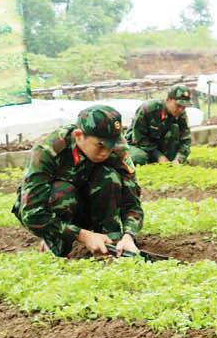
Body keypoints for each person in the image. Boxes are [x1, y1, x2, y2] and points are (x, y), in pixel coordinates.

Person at [12, 105, 143, 257]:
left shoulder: (118, 148)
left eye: (110, 145)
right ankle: (58, 242)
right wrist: (83, 235)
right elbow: (32, 213)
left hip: (88, 204)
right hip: (58, 209)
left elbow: (131, 201)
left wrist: (129, 235)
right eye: (100, 145)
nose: (106, 152)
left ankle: (109, 240)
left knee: (109, 178)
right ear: (79, 135)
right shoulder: (48, 149)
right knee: (63, 191)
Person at [126, 84, 193, 166]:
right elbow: (139, 139)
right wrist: (159, 156)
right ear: (168, 100)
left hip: (160, 146)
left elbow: (185, 140)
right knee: (139, 158)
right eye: (178, 105)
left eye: (184, 107)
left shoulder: (181, 115)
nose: (180, 110)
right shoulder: (148, 109)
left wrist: (179, 159)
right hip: (138, 145)